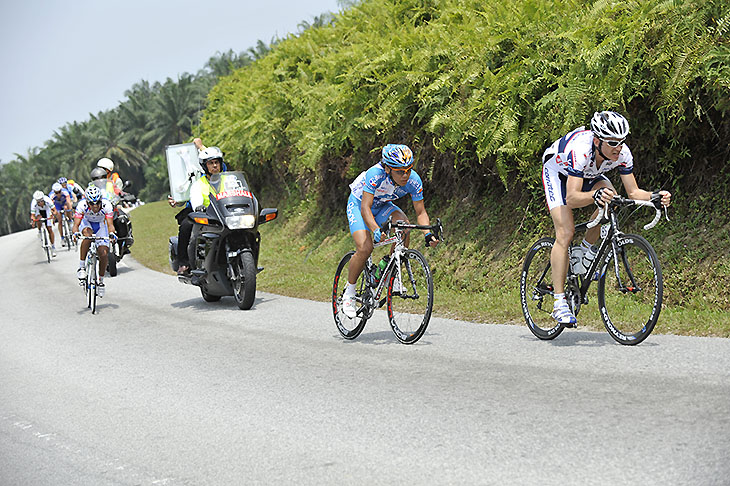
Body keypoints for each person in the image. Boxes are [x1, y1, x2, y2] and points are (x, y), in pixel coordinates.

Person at [541, 111, 672, 326]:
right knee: (565, 232)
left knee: (611, 198)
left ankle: (584, 251)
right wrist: (594, 195)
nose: (618, 147)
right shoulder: (581, 150)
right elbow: (572, 198)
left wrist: (654, 197)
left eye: (621, 141)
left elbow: (633, 192)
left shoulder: (622, 153)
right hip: (557, 173)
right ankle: (559, 302)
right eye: (612, 142)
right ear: (596, 140)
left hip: (587, 174)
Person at [341, 143, 440, 318]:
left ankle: (391, 271)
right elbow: (365, 208)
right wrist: (375, 229)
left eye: (408, 170)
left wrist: (428, 234)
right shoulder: (375, 174)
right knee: (365, 248)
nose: (405, 175)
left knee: (404, 227)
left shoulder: (414, 180)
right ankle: (349, 293)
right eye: (400, 171)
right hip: (359, 204)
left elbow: (421, 211)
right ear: (387, 169)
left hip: (382, 206)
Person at [168, 138, 225, 275]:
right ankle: (184, 262)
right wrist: (181, 201)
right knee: (186, 226)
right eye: (211, 164)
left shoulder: (227, 178)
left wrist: (201, 146)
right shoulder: (199, 182)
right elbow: (193, 197)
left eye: (217, 163)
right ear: (204, 166)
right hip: (204, 213)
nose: (215, 166)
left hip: (224, 212)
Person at [72, 185, 116, 297]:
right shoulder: (82, 205)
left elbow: (110, 225)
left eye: (97, 203)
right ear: (87, 202)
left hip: (101, 225)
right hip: (87, 224)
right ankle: (82, 267)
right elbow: (76, 225)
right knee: (88, 236)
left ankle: (101, 281)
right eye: (92, 203)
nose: (95, 206)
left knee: (104, 253)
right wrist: (75, 233)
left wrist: (112, 234)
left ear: (101, 200)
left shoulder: (107, 205)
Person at [30, 190, 58, 257]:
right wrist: (33, 220)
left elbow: (55, 211)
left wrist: (53, 215)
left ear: (43, 199)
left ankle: (53, 246)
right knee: (38, 218)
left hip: (47, 210)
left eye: (41, 201)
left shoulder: (48, 200)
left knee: (49, 228)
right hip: (38, 211)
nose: (40, 203)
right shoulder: (33, 203)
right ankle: (39, 230)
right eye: (38, 201)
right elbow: (33, 215)